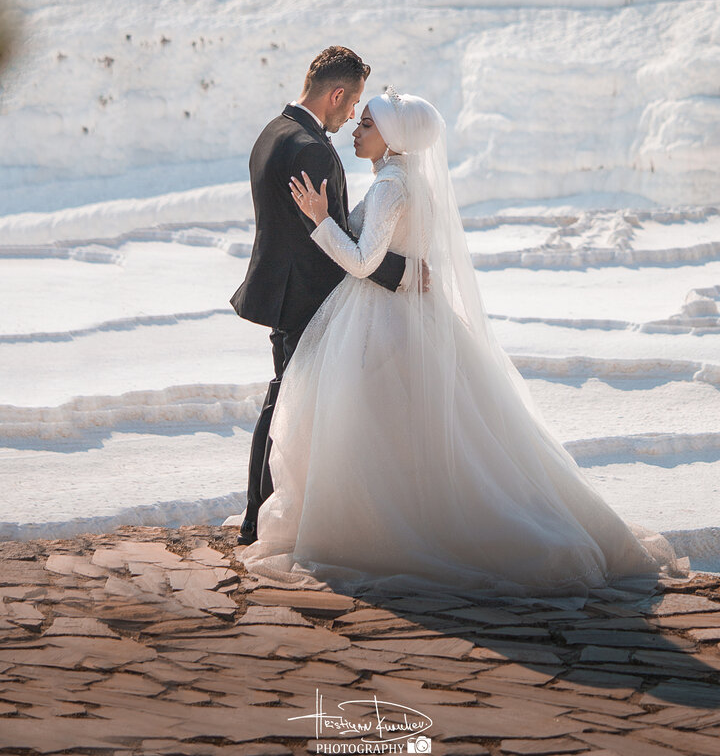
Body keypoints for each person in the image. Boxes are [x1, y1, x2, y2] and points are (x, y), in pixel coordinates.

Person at [238, 86, 686, 598]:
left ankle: (390, 531)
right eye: (359, 121)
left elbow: (362, 261)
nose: (357, 131)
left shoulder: (390, 186)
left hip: (382, 322)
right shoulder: (404, 180)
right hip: (405, 317)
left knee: (370, 430)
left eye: (367, 124)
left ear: (394, 136)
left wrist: (321, 221)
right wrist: (403, 272)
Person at [226, 47, 418, 545]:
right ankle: (263, 518)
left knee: (288, 406)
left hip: (282, 292)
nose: (353, 115)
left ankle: (273, 513)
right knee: (285, 407)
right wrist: (401, 272)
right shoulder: (313, 150)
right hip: (306, 301)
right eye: (353, 104)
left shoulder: (273, 131)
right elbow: (334, 248)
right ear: (336, 95)